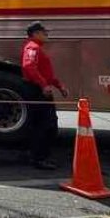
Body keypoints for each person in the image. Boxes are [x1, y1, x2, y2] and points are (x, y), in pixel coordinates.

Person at [21, 21, 68, 170]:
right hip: (36, 91)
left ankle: (38, 155)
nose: (47, 34)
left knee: (45, 124)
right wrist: (43, 85)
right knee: (45, 124)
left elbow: (46, 73)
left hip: (39, 89)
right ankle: (39, 158)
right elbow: (29, 66)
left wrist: (59, 86)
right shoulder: (32, 48)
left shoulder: (38, 48)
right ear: (35, 34)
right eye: (43, 32)